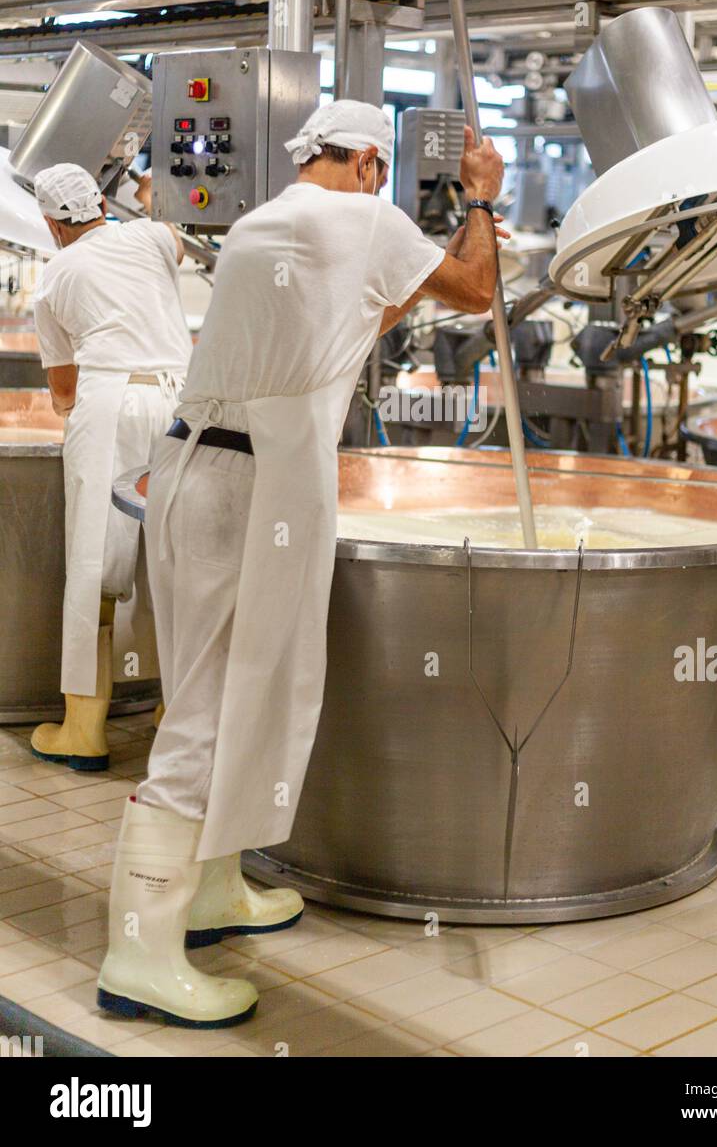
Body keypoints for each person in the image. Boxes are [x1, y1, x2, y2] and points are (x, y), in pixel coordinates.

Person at [98, 100, 506, 1029]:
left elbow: (375, 311)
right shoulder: (364, 216)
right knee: (209, 707)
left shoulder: (263, 219)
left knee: (247, 684)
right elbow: (477, 290)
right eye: (379, 170)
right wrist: (480, 200)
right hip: (257, 476)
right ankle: (137, 953)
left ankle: (210, 892)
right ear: (368, 161)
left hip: (202, 461)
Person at [29, 163, 191, 771]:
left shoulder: (57, 275)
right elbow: (172, 233)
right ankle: (174, 711)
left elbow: (65, 387)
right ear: (101, 202)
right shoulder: (150, 237)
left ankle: (83, 728)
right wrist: (148, 193)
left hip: (111, 402)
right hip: (181, 401)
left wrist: (69, 414)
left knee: (97, 560)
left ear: (50, 222)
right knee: (174, 557)